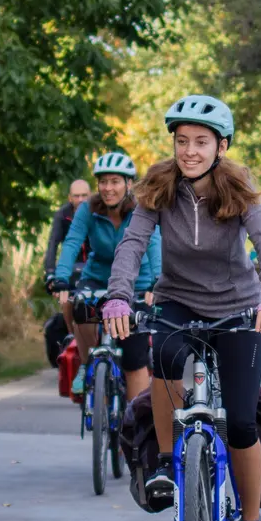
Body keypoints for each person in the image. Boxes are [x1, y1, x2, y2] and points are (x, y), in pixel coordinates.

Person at [103, 96, 261, 521]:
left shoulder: (239, 186)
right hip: (177, 300)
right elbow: (132, 244)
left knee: (243, 424)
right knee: (162, 354)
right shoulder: (158, 187)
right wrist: (119, 297)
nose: (190, 151)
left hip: (238, 306)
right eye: (182, 141)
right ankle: (167, 461)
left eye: (201, 142)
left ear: (220, 146)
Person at [49, 152, 159, 402]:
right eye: (103, 182)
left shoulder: (142, 209)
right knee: (81, 308)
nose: (108, 188)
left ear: (129, 184)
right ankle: (87, 362)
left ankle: (133, 426)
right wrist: (62, 277)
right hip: (97, 279)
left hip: (135, 283)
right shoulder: (88, 209)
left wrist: (157, 280)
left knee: (134, 358)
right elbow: (72, 243)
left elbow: (154, 244)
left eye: (115, 181)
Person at [41, 178, 93, 279]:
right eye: (76, 196)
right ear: (70, 198)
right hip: (72, 267)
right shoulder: (62, 215)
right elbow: (53, 244)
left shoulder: (99, 213)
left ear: (90, 196)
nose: (81, 199)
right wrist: (50, 272)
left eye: (84, 195)